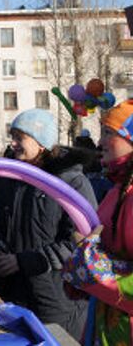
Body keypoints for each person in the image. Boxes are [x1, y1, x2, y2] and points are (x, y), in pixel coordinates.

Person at [0, 108, 96, 341]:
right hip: (12, 292)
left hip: (57, 300)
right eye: (12, 136)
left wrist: (23, 261)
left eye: (19, 137)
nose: (12, 143)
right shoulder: (11, 178)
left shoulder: (71, 182)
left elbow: (79, 243)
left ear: (41, 142)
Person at [64, 100, 133, 344]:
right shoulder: (117, 189)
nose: (100, 142)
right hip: (104, 326)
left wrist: (91, 269)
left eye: (108, 133)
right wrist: (82, 276)